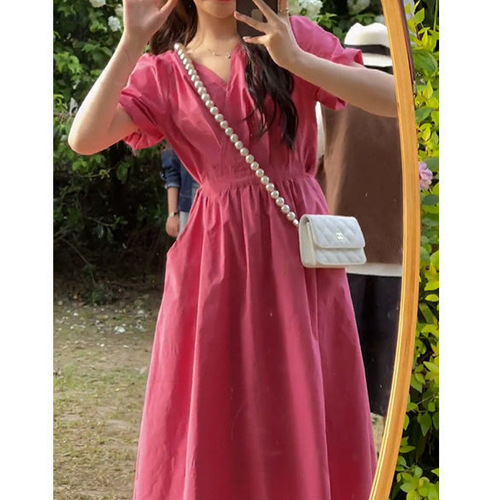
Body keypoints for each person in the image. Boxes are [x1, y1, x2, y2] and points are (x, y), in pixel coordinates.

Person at [68, 0, 397, 498]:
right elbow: (84, 138)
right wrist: (131, 41)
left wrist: (297, 61)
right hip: (214, 257)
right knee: (218, 398)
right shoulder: (164, 72)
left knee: (298, 389)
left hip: (296, 252)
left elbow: (396, 101)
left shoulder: (290, 36)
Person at [318, 22, 403, 420]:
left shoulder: (327, 103)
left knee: (338, 371)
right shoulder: (411, 106)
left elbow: (307, 161)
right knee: (387, 375)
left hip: (339, 245)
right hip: (397, 250)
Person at [160, 148, 199, 237]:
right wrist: (172, 214)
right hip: (189, 208)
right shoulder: (179, 139)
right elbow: (172, 173)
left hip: (221, 205)